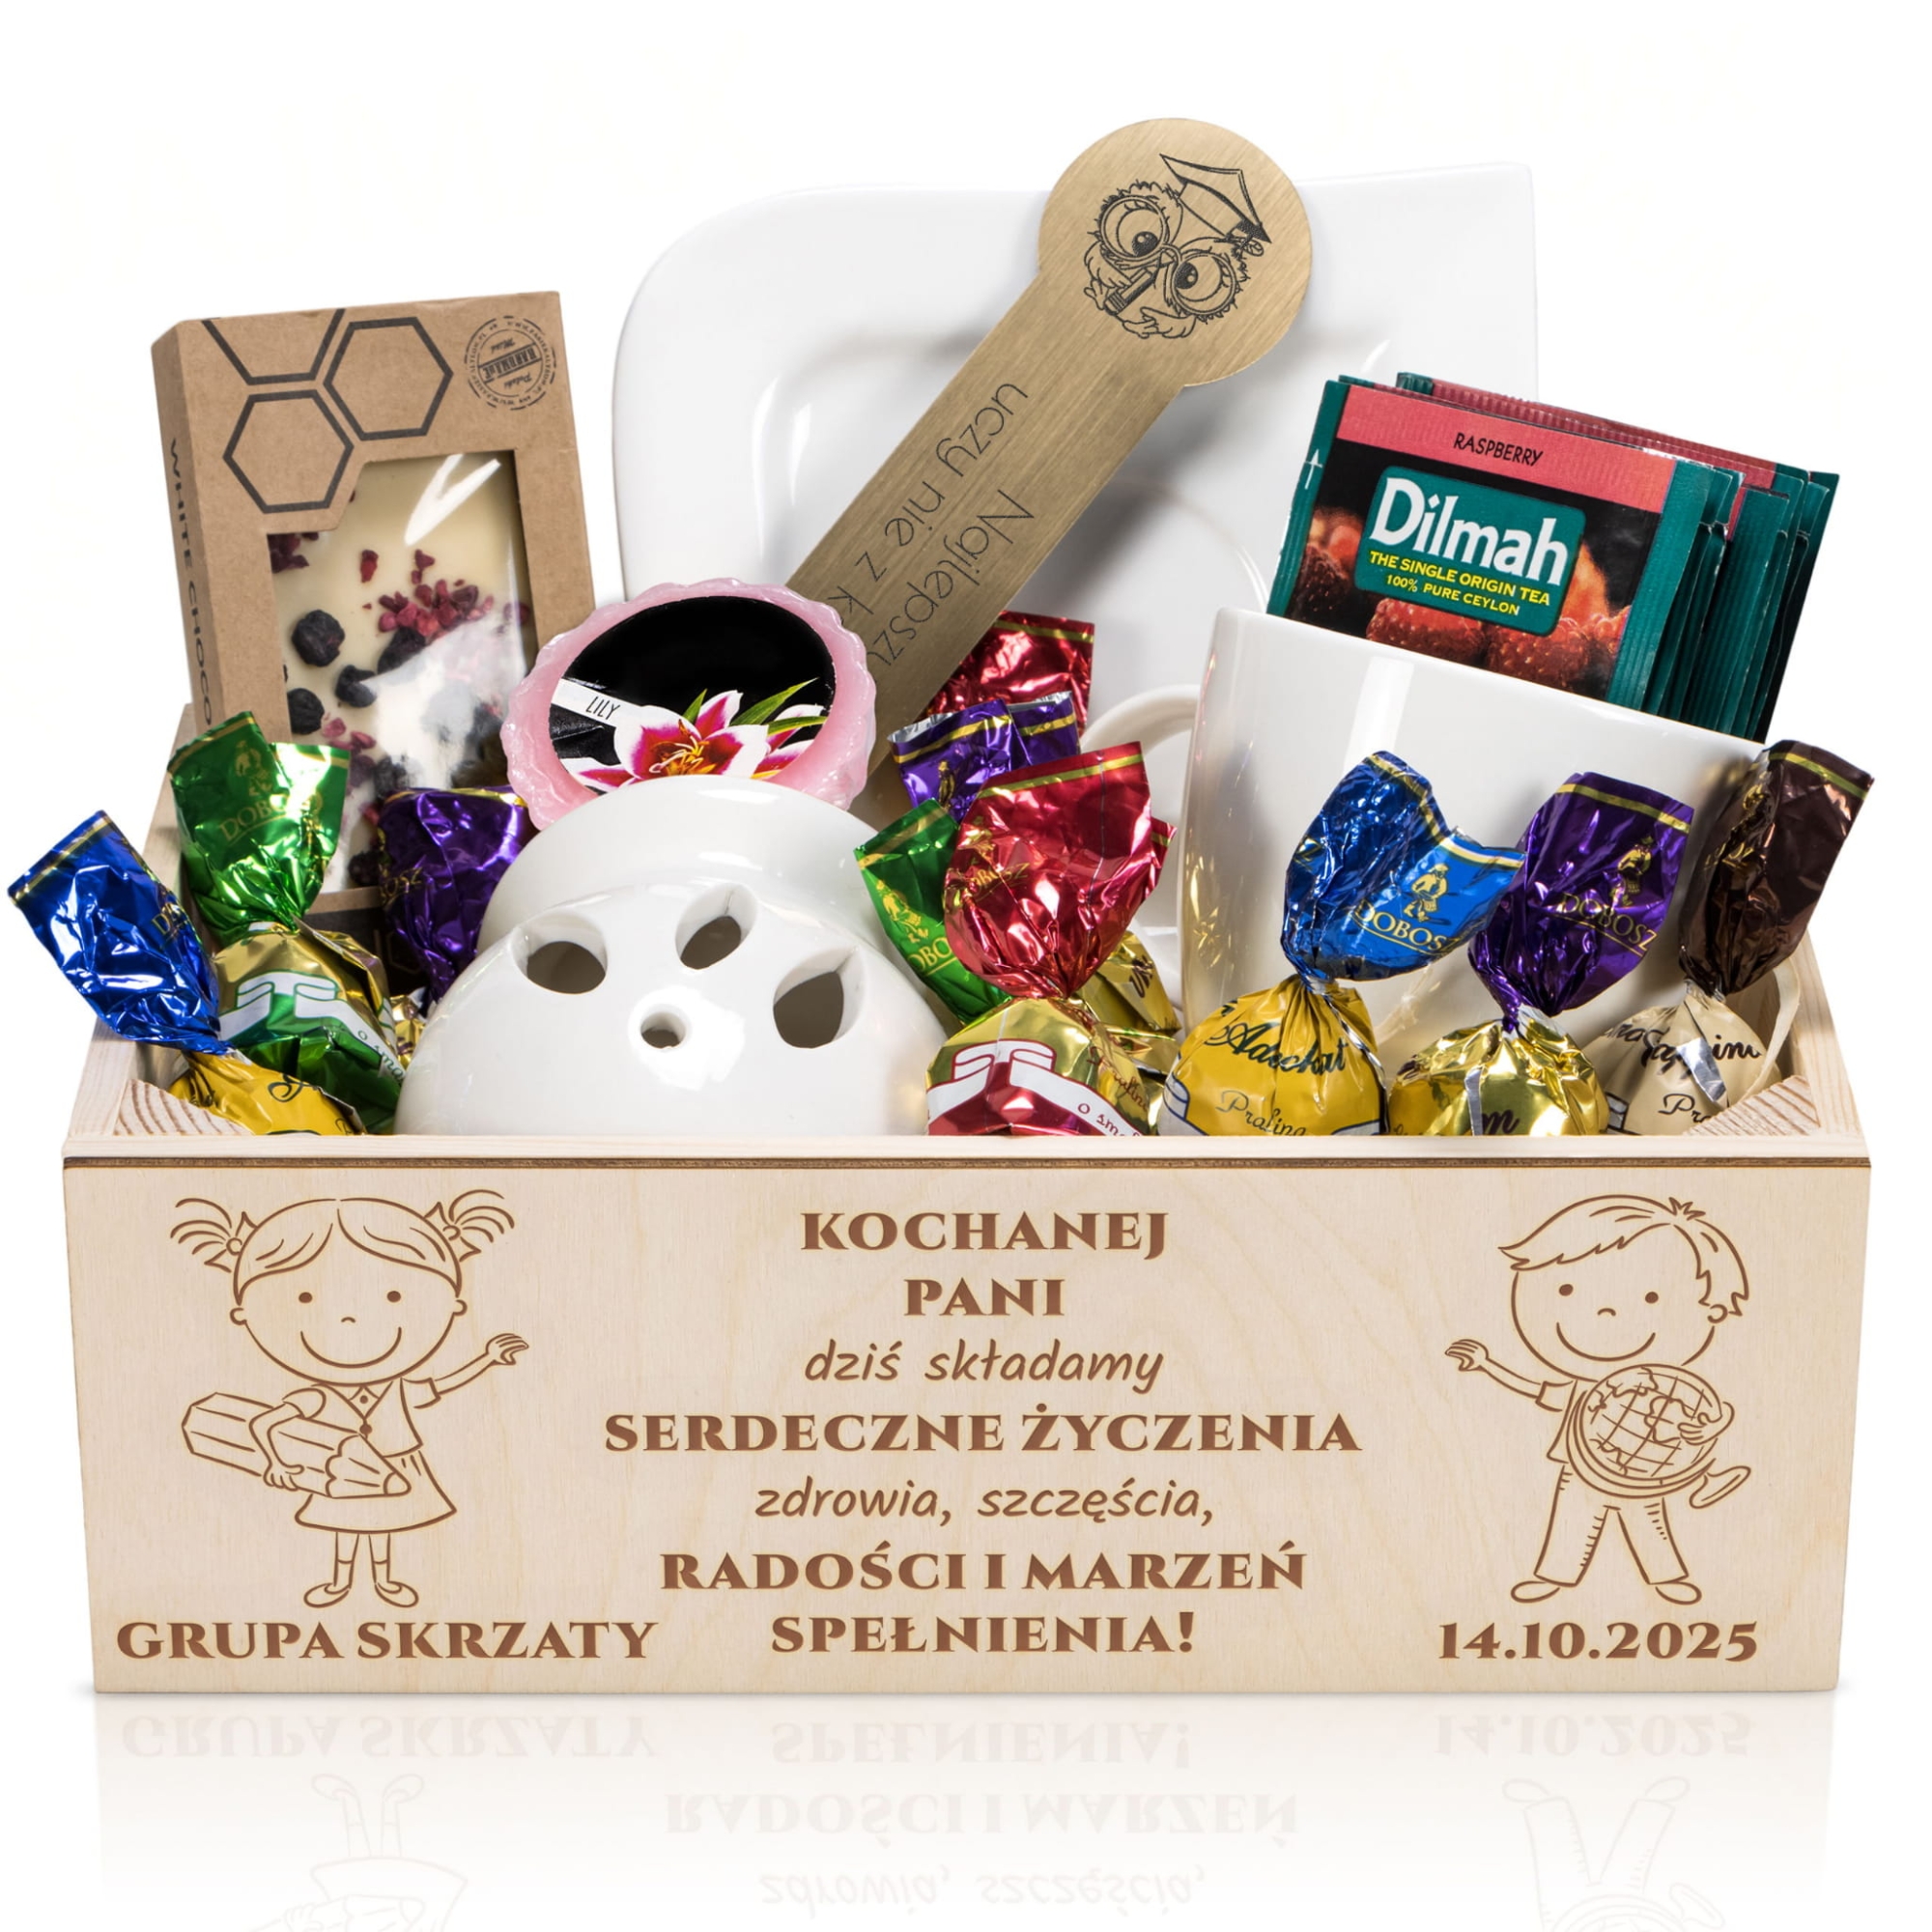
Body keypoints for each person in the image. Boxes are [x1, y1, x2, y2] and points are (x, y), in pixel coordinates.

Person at [174, 1192, 526, 1608]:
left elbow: (442, 1385)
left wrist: (487, 1359)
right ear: (243, 1314)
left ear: (454, 1306)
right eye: (306, 1298)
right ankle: (340, 1583)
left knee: (383, 1528)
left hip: (397, 1463)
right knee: (347, 1528)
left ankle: (383, 1582)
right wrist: (277, 1463)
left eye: (393, 1296)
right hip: (336, 1470)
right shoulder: (319, 1396)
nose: (350, 1319)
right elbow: (263, 1423)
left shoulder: (396, 1387)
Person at [1446, 1194, 1748, 1607]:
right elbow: (1534, 1388)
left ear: (1711, 1311)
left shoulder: (1663, 1388)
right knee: (1572, 1520)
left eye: (1651, 1298)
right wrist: (1486, 1364)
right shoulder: (1587, 1391)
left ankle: (1664, 1581)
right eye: (1567, 1289)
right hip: (1581, 1466)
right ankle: (1554, 1578)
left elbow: (1706, 1416)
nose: (1605, 1312)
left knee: (1649, 1524)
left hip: (1643, 1474)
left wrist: (1709, 1429)